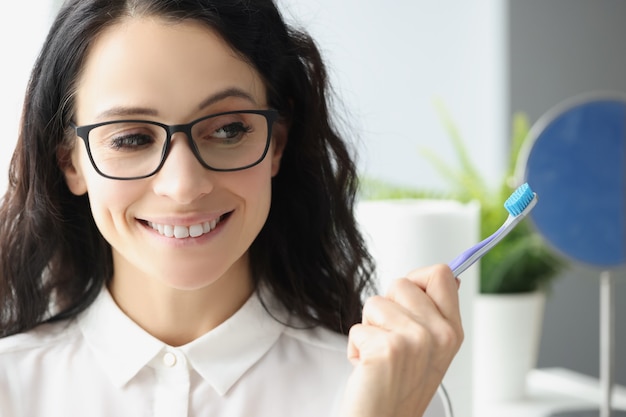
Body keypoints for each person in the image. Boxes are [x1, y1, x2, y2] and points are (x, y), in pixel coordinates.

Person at [0, 0, 463, 416]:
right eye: (131, 138)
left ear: (276, 144)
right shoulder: (11, 387)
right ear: (70, 163)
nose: (183, 186)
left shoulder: (390, 391)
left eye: (228, 130)